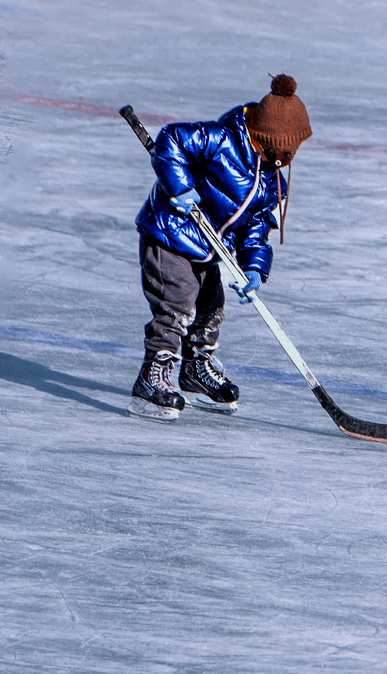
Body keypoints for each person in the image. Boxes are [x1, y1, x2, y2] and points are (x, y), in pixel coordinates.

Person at [129, 74, 313, 421]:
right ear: (267, 137)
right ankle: (152, 378)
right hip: (171, 233)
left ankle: (195, 371)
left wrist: (255, 267)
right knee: (176, 305)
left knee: (210, 308)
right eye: (284, 148)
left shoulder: (271, 179)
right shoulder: (221, 139)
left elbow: (257, 227)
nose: (288, 156)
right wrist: (180, 186)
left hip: (209, 248)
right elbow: (172, 140)